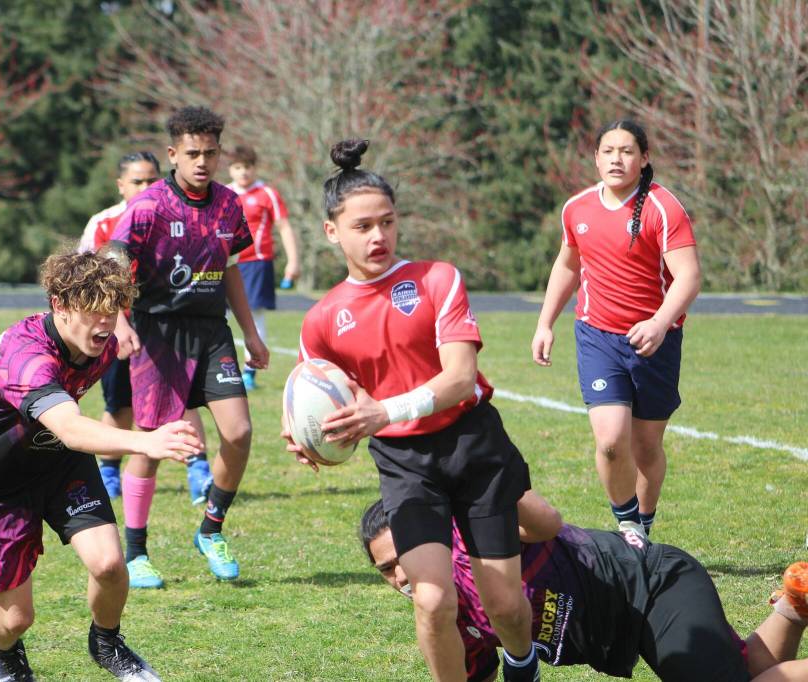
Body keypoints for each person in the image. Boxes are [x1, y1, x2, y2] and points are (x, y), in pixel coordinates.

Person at [286, 139, 542, 682]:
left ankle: (522, 665)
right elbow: (317, 393)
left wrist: (383, 412)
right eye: (362, 227)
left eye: (387, 222)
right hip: (405, 464)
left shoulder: (435, 279)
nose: (378, 236)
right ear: (332, 232)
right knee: (431, 600)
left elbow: (459, 379)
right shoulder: (321, 319)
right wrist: (304, 438)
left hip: (472, 446)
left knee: (505, 606)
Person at [0, 249, 201, 682]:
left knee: (108, 565)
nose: (105, 324)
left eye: (113, 309)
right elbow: (68, 426)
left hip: (58, 465)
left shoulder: (102, 344)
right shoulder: (25, 358)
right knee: (15, 620)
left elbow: (70, 431)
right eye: (93, 311)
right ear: (60, 306)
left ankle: (107, 644)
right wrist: (146, 441)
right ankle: (1, 648)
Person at [361, 500, 808, 682]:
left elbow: (544, 520)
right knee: (741, 673)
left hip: (655, 584)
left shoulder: (483, 539)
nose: (401, 574)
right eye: (387, 569)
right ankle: (795, 602)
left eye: (404, 556)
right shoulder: (447, 620)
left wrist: (484, 479)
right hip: (629, 624)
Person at [109, 106, 269, 585]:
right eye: (193, 153)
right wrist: (119, 323)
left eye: (211, 153)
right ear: (173, 154)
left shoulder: (227, 204)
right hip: (158, 332)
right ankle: (135, 552)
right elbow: (113, 262)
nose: (202, 161)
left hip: (211, 331)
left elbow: (232, 269)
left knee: (238, 434)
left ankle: (211, 528)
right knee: (151, 442)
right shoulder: (148, 206)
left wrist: (252, 334)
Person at [531, 119, 701, 538]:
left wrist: (660, 323)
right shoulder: (577, 208)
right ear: (596, 158)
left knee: (646, 448)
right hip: (597, 337)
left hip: (654, 342)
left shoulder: (664, 207)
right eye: (608, 151)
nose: (616, 159)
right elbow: (568, 264)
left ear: (644, 159)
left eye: (627, 151)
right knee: (610, 442)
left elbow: (689, 276)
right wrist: (545, 323)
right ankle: (627, 527)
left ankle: (644, 524)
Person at [78, 152, 212, 525]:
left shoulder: (175, 216)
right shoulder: (102, 223)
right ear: (120, 185)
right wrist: (114, 325)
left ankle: (198, 471)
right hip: (116, 328)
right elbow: (87, 280)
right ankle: (107, 471)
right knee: (120, 405)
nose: (146, 188)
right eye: (137, 181)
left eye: (152, 180)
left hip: (164, 325)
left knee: (182, 400)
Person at [226, 144, 300, 390]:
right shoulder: (222, 193)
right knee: (219, 315)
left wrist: (293, 261)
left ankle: (250, 372)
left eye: (247, 167)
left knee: (254, 315)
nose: (243, 172)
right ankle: (222, 368)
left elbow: (284, 227)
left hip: (257, 263)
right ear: (230, 170)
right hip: (226, 263)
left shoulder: (267, 193)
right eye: (237, 167)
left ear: (255, 168)